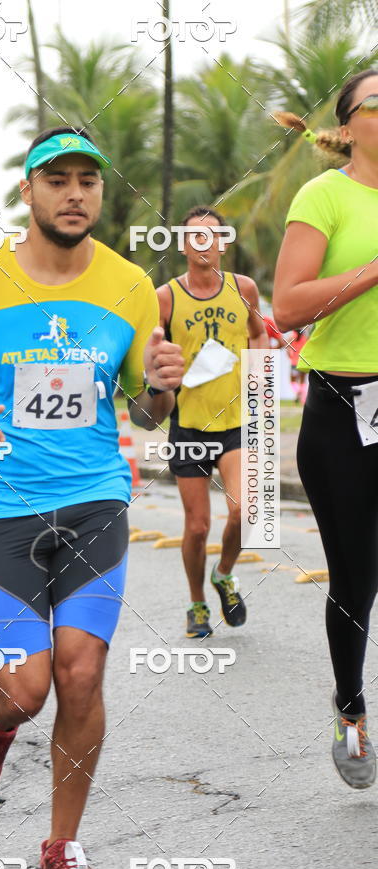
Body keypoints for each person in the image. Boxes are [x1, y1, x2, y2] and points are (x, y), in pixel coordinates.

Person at [0, 127, 184, 869]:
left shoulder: (128, 284)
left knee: (82, 673)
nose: (73, 194)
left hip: (96, 495)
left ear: (101, 192)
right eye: (55, 180)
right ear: (26, 192)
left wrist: (161, 385)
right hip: (1, 498)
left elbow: (148, 410)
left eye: (87, 181)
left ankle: (62, 850)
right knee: (27, 688)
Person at [273, 69, 378, 789]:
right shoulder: (326, 196)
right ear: (348, 125)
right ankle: (350, 707)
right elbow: (288, 304)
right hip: (345, 409)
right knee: (358, 578)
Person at [156, 206, 268, 639]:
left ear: (223, 242)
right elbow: (153, 355)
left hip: (236, 422)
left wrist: (260, 373)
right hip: (189, 425)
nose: (203, 243)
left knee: (243, 510)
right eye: (194, 237)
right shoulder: (167, 296)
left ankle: (224, 575)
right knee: (198, 526)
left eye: (212, 236)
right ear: (183, 245)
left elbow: (258, 333)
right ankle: (197, 602)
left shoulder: (244, 289)